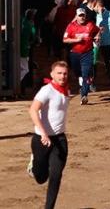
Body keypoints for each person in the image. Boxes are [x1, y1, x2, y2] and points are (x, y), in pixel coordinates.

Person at [27, 61, 71, 209]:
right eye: (59, 73)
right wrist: (44, 133)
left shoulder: (67, 90)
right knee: (41, 178)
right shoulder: (46, 91)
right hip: (41, 139)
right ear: (52, 74)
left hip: (59, 139)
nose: (62, 76)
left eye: (65, 73)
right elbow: (33, 110)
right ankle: (33, 165)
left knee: (56, 175)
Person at [63, 8, 100, 105]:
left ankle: (84, 95)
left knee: (85, 74)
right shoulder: (71, 26)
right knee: (77, 73)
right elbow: (65, 40)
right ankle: (83, 80)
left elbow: (98, 30)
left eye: (83, 15)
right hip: (74, 53)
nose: (82, 17)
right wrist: (76, 40)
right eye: (80, 15)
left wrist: (97, 36)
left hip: (87, 53)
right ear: (76, 16)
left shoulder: (90, 24)